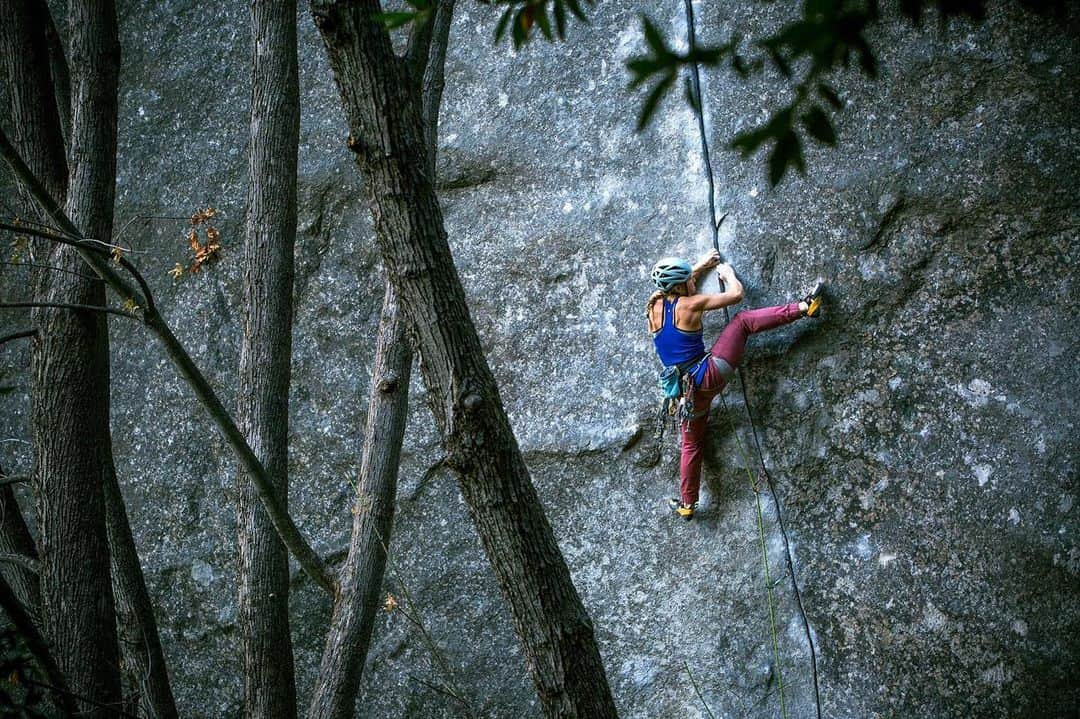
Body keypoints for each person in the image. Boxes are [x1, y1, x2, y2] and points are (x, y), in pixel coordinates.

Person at [647, 250, 823, 520]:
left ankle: (687, 504)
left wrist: (702, 264)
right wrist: (728, 274)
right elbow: (736, 295)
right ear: (681, 287)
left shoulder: (653, 307)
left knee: (691, 444)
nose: (695, 282)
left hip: (685, 392)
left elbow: (681, 283)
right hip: (709, 374)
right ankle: (803, 307)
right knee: (742, 322)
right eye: (690, 281)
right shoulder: (692, 304)